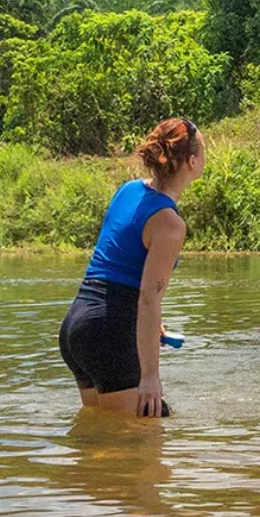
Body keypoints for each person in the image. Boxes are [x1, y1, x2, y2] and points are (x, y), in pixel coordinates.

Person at [59, 117, 205, 417]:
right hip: (107, 330)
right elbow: (148, 299)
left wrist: (147, 328)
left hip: (77, 324)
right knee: (146, 438)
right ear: (191, 161)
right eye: (203, 152)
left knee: (105, 437)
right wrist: (150, 378)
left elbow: (119, 265)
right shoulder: (169, 223)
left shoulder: (128, 190)